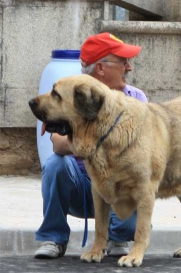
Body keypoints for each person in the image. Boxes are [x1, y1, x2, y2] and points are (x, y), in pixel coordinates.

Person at [34, 33, 148, 259]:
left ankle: (118, 236)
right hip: (82, 185)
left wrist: (83, 141)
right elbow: (57, 144)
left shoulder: (136, 98)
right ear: (101, 68)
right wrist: (105, 141)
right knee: (55, 164)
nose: (129, 67)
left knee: (135, 181)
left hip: (119, 186)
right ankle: (54, 238)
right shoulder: (68, 97)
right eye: (123, 61)